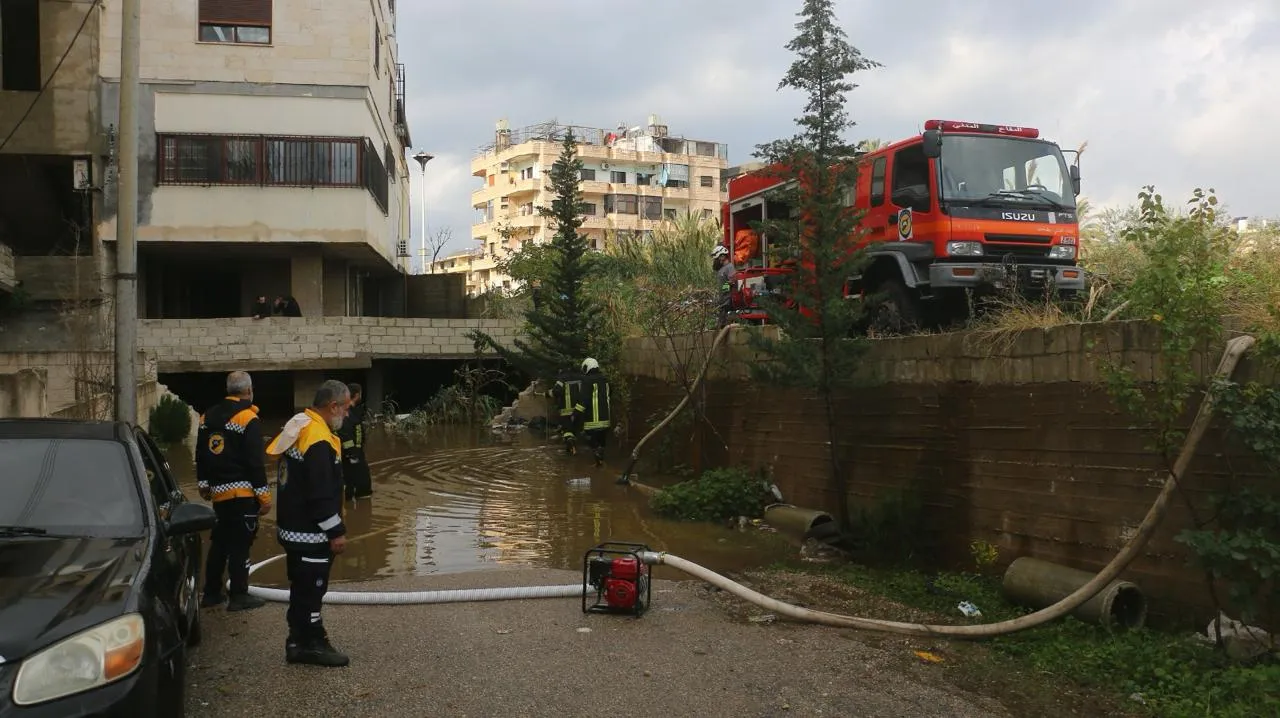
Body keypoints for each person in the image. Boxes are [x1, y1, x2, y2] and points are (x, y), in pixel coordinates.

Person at [266, 380, 351, 667]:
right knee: (312, 591)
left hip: (293, 528)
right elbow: (320, 493)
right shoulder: (318, 439)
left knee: (301, 589)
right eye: (346, 408)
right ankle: (312, 643)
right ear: (333, 406)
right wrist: (335, 531)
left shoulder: (300, 424)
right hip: (311, 534)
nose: (348, 414)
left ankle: (296, 642)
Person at [196, 371, 271, 612]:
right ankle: (239, 595)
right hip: (242, 494)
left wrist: (203, 484)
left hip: (218, 494)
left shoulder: (207, 416)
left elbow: (201, 454)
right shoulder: (248, 418)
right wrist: (264, 496)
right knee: (240, 545)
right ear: (249, 390)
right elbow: (255, 462)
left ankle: (211, 593)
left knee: (219, 543)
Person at [337, 382, 371, 501]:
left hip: (355, 452)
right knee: (356, 482)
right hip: (352, 455)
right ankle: (354, 503)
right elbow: (344, 435)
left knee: (357, 482)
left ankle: (356, 504)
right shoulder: (347, 413)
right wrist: (352, 454)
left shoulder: (354, 411)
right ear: (357, 395)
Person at [575, 358, 612, 466]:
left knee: (590, 440)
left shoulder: (587, 380)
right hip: (606, 419)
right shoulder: (605, 380)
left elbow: (584, 400)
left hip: (592, 420)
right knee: (602, 442)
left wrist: (575, 414)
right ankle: (601, 462)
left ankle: (598, 459)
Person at [548, 367, 584, 455]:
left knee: (567, 431)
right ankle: (574, 448)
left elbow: (557, 391)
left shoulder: (562, 378)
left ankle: (570, 446)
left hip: (566, 411)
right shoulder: (581, 377)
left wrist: (549, 393)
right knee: (575, 430)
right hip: (579, 409)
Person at [712, 245, 735, 328]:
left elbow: (732, 281)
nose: (716, 261)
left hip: (727, 301)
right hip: (722, 301)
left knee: (724, 323)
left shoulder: (729, 267)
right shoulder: (721, 269)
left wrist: (724, 290)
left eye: (717, 258)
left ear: (723, 256)